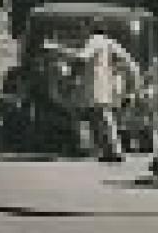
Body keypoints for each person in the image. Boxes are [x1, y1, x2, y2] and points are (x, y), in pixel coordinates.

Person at [44, 25, 145, 163]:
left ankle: (114, 150)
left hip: (97, 88)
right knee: (98, 118)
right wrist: (132, 88)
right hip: (105, 88)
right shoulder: (110, 43)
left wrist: (57, 50)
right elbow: (130, 64)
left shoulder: (96, 40)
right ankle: (107, 151)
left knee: (102, 118)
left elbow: (82, 57)